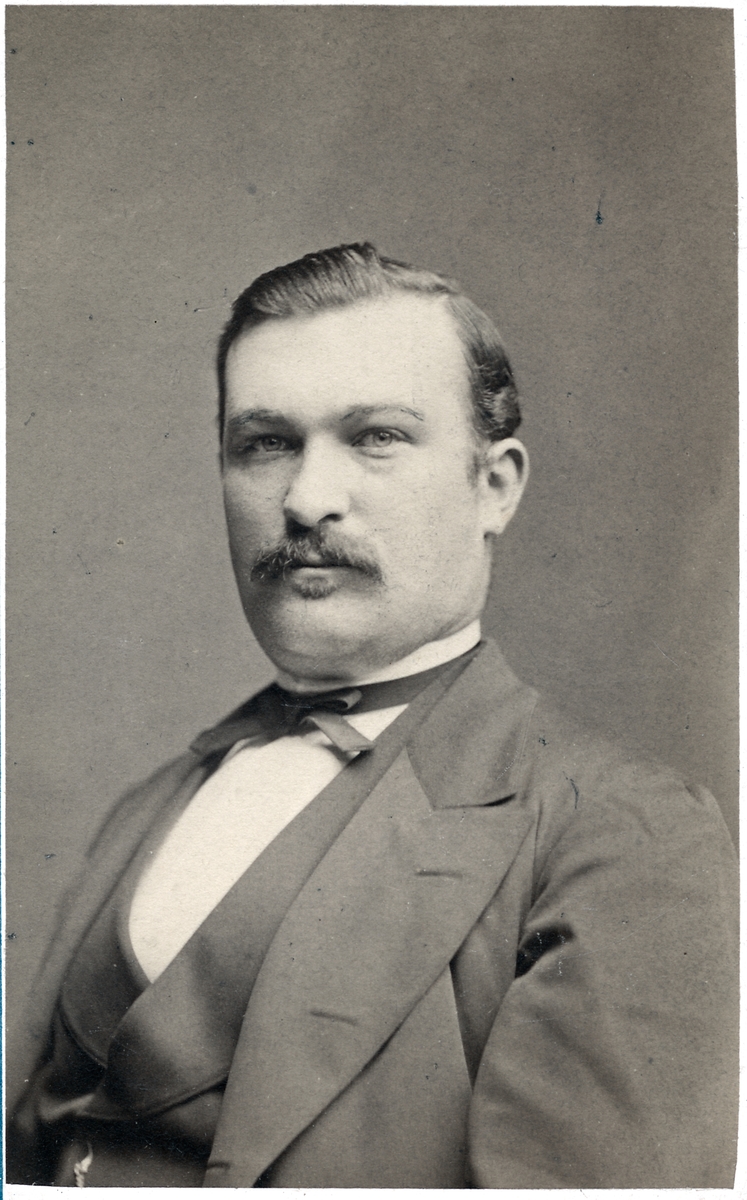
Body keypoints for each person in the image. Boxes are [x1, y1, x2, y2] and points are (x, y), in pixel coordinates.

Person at [6, 243, 737, 1189]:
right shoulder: (148, 807)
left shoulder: (618, 832)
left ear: (494, 485)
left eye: (376, 436)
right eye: (265, 443)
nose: (307, 499)